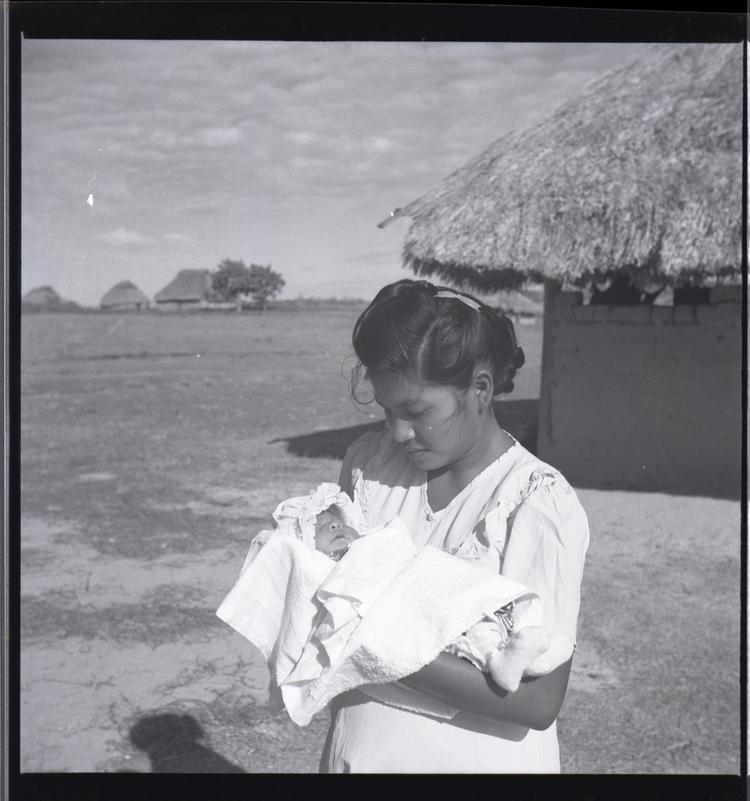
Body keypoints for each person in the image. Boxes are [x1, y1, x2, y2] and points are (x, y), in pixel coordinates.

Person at [319, 279, 590, 773]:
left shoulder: (535, 501)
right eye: (387, 409)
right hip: (360, 753)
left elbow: (538, 701)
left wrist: (368, 640)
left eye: (417, 411)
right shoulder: (369, 466)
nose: (398, 431)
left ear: (480, 389)